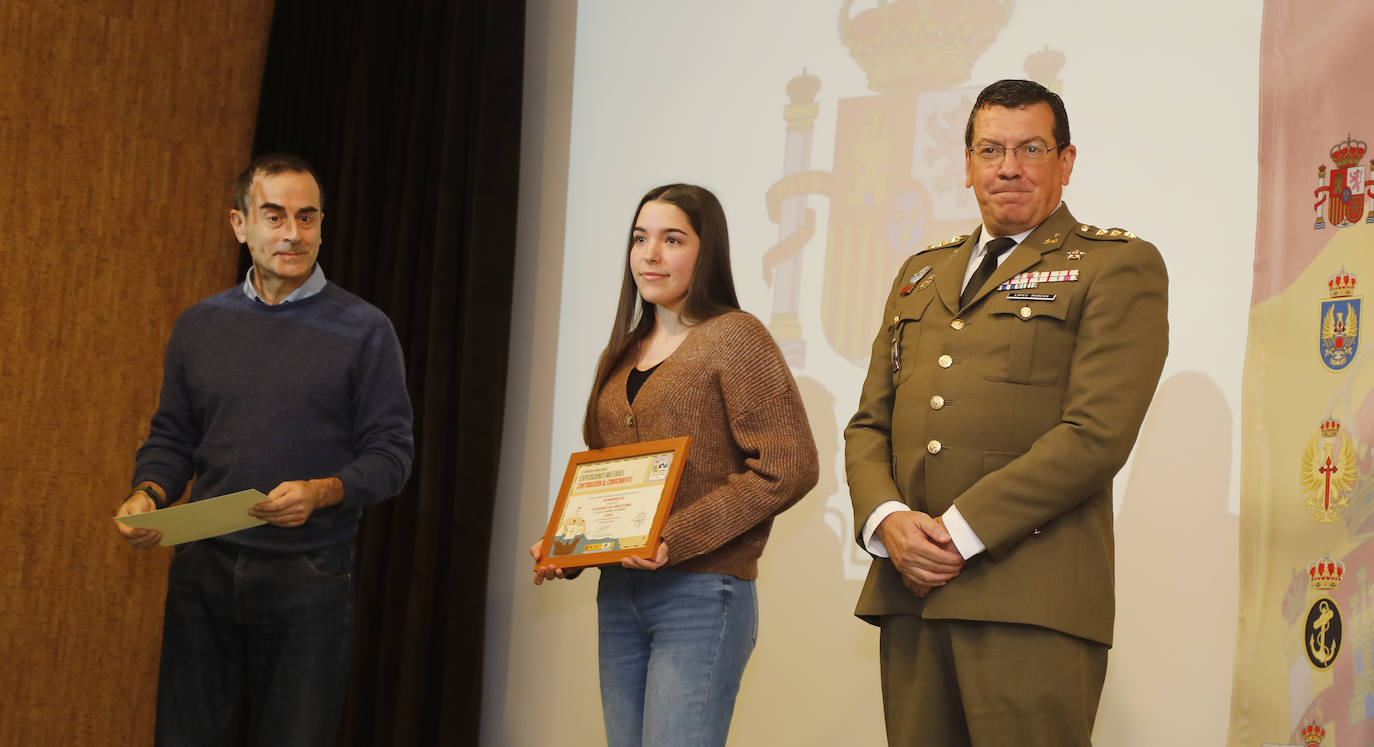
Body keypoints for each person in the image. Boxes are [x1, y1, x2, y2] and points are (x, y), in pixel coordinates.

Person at [844, 79, 1169, 746]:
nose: (1008, 166)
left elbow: (1096, 435)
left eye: (1031, 148)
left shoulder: (1115, 266)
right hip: (913, 599)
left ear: (1066, 161)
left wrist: (957, 532)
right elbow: (869, 424)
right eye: (990, 148)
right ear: (966, 164)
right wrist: (888, 521)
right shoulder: (919, 273)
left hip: (1032, 602)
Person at [114, 153, 414, 746]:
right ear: (239, 224)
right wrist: (147, 494)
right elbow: (173, 436)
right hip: (202, 567)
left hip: (310, 574)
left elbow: (392, 455)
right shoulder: (199, 326)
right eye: (274, 216)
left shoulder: (366, 329)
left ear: (323, 225)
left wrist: (324, 491)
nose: (293, 234)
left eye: (307, 218)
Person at [530, 184, 818, 747]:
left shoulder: (736, 336)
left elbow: (789, 466)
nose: (650, 254)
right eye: (640, 239)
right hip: (619, 596)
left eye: (672, 239)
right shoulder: (624, 351)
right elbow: (607, 474)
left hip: (703, 595)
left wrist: (673, 535)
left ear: (705, 251)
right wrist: (568, 545)